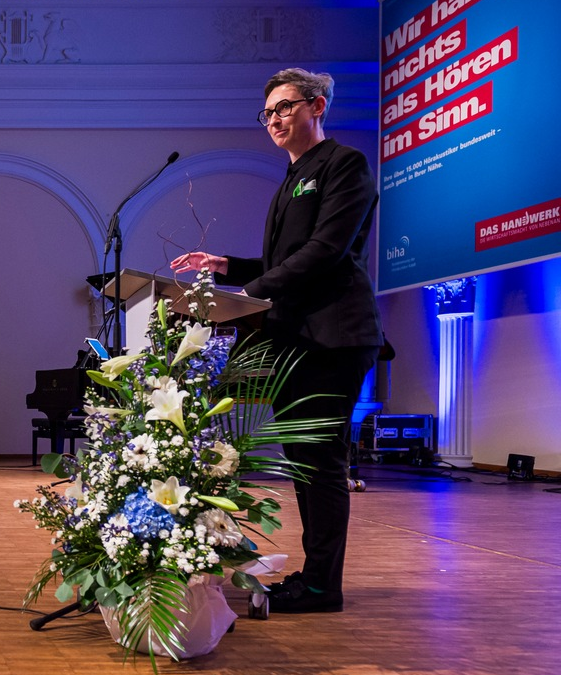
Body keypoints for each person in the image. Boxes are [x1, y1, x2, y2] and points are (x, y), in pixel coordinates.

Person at [170, 68, 382, 614]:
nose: (274, 120)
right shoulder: (292, 176)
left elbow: (326, 251)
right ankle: (315, 578)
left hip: (334, 336)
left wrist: (250, 293)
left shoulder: (343, 165)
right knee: (304, 462)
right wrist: (226, 267)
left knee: (321, 463)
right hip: (298, 338)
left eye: (285, 108)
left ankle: (321, 586)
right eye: (267, 113)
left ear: (317, 107)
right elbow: (287, 259)